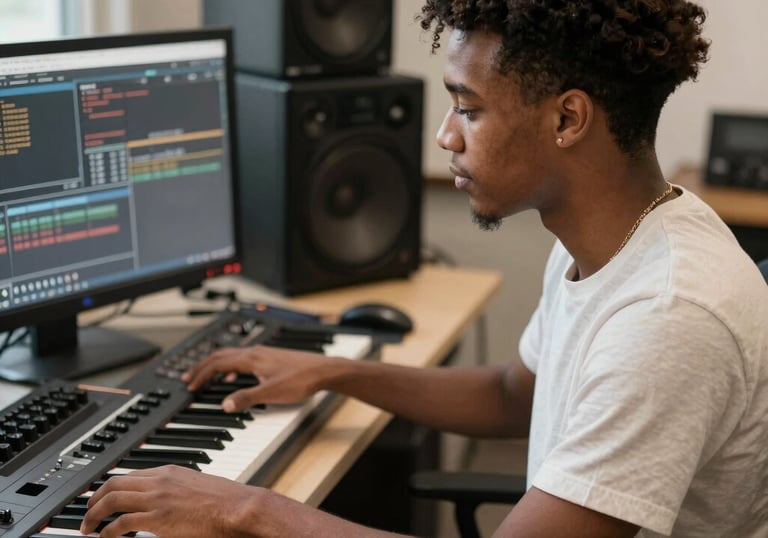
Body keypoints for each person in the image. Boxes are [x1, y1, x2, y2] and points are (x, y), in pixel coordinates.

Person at [82, 1, 768, 537]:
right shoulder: (612, 235)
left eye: (469, 108)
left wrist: (246, 512)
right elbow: (513, 395)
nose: (445, 136)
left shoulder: (670, 315)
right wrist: (336, 372)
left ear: (568, 120)